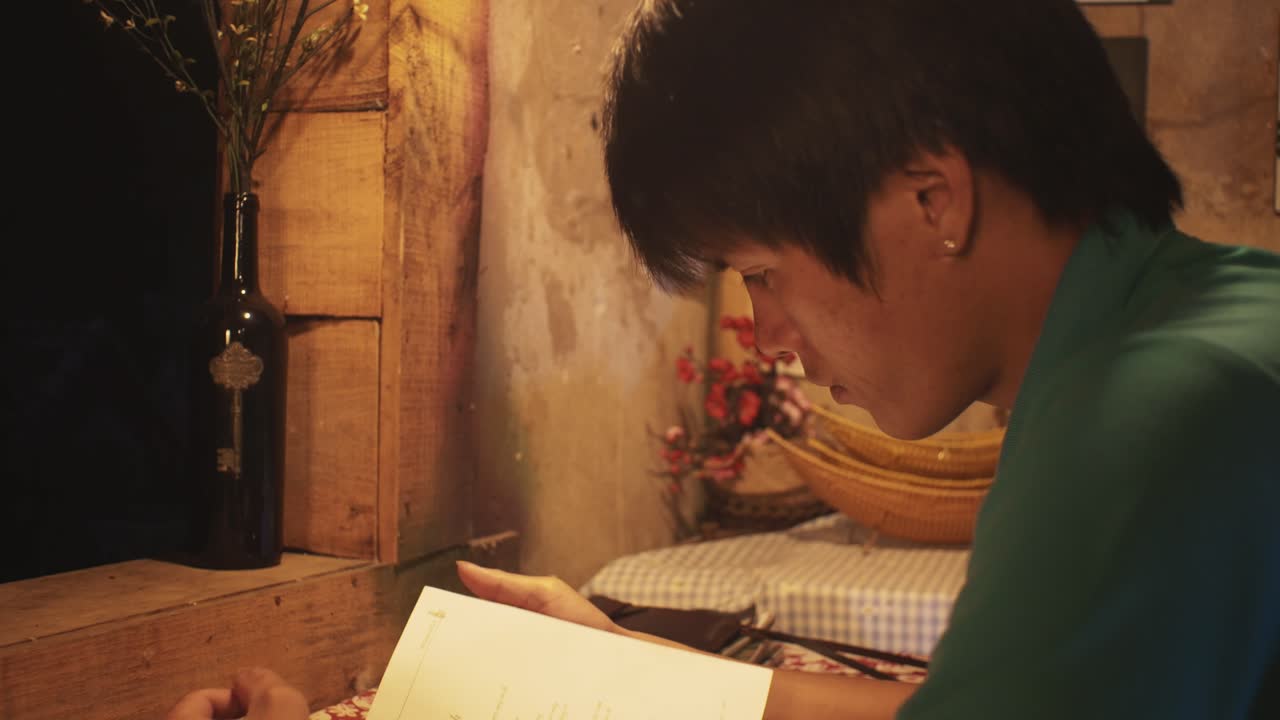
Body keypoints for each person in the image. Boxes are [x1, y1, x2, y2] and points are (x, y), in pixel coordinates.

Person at [167, 0, 1280, 717]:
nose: (767, 335)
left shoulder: (1148, 422)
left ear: (931, 199)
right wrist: (620, 666)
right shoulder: (1188, 329)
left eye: (761, 271)